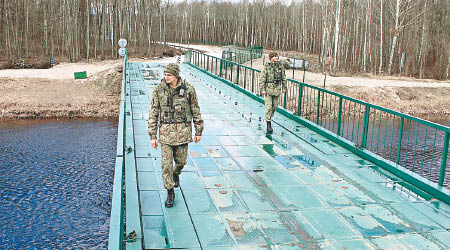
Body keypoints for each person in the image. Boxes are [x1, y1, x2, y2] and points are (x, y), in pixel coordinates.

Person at [148, 63, 204, 207]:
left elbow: (195, 110)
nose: (166, 77)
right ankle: (170, 191)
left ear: (176, 76)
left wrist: (198, 130)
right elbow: (153, 112)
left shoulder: (189, 90)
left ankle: (176, 173)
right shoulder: (158, 90)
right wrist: (152, 135)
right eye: (165, 74)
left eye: (169, 75)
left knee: (181, 162)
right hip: (166, 134)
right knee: (166, 165)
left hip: (183, 133)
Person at [260, 52, 287, 132]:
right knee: (268, 107)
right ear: (271, 57)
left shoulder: (280, 65)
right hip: (268, 89)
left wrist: (284, 87)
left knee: (274, 106)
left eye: (277, 56)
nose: (276, 57)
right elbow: (262, 78)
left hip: (277, 89)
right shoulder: (266, 66)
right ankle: (268, 124)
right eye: (275, 56)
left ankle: (269, 117)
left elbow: (283, 77)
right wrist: (263, 89)